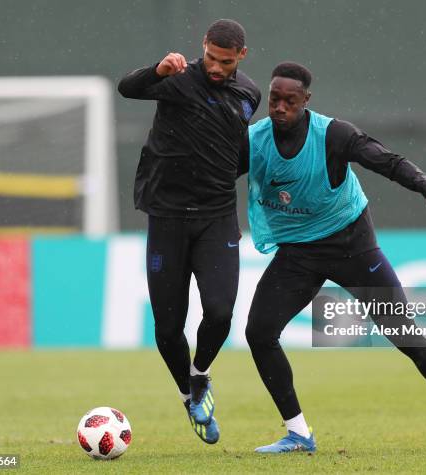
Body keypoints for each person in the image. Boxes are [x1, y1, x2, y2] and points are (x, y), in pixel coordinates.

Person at [238, 62, 426, 453]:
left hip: (352, 246)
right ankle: (298, 434)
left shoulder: (333, 135)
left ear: (306, 101)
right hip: (298, 253)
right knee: (259, 333)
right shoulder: (255, 139)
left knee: (405, 334)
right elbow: (215, 171)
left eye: (289, 101)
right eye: (274, 99)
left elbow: (387, 161)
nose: (279, 108)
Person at [118, 19, 261, 445]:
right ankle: (188, 395)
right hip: (166, 216)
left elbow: (240, 154)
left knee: (219, 313)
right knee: (167, 327)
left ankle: (200, 376)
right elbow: (127, 88)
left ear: (241, 57)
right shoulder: (177, 78)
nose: (216, 68)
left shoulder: (249, 94)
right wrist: (157, 71)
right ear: (203, 48)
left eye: (226, 61)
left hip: (216, 216)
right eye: (212, 59)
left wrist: (212, 177)